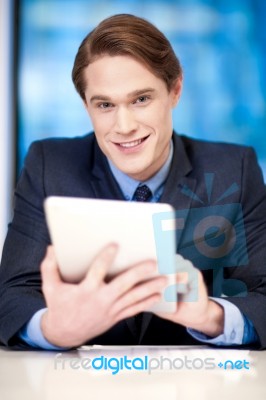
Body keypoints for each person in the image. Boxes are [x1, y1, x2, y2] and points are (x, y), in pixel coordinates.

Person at [0, 14, 266, 350]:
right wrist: (54, 329)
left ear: (175, 90)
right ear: (86, 105)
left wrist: (210, 316)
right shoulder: (49, 166)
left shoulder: (234, 170)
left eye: (141, 99)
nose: (124, 126)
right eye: (105, 105)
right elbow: (11, 295)